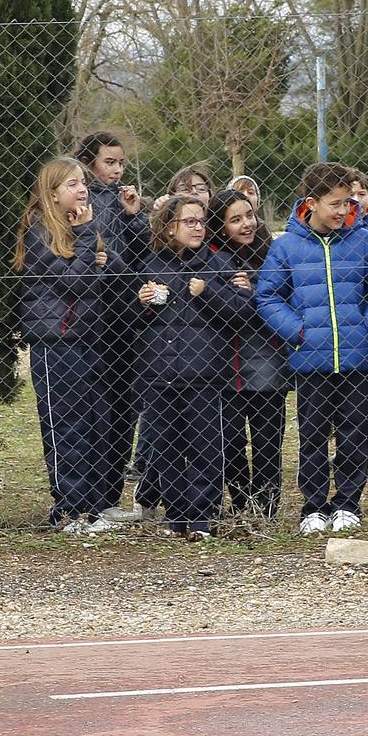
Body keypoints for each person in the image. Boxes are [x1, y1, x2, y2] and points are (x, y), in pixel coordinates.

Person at [256, 162, 368, 535]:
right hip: (309, 360)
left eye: (348, 203)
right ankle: (313, 505)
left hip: (356, 357)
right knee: (311, 434)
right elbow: (267, 296)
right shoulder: (287, 247)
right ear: (312, 203)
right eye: (336, 204)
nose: (344, 210)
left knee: (354, 432)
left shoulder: (363, 241)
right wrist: (297, 332)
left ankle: (347, 503)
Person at [14, 158, 123, 535]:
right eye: (72, 184)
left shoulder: (78, 231)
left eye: (82, 183)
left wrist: (98, 257)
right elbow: (75, 283)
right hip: (55, 342)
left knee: (95, 422)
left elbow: (100, 277)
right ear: (52, 192)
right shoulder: (40, 230)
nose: (82, 189)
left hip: (88, 339)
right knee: (66, 425)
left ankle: (91, 508)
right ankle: (68, 508)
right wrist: (88, 238)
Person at [137, 195, 255, 539]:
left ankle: (202, 516)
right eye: (189, 222)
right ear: (168, 226)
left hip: (203, 374)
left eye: (201, 221)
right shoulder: (150, 265)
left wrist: (208, 293)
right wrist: (142, 302)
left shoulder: (219, 264)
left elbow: (243, 312)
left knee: (206, 446)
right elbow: (126, 318)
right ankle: (176, 517)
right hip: (158, 373)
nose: (197, 228)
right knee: (164, 446)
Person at [74, 131, 151, 523]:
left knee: (125, 406)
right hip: (93, 314)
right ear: (89, 162)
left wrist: (135, 215)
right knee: (95, 408)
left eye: (121, 163)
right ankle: (86, 498)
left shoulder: (124, 201)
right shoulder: (81, 201)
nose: (118, 170)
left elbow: (141, 253)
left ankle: (107, 497)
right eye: (109, 162)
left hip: (126, 313)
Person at [209, 189, 289, 521]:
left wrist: (255, 290)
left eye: (249, 216)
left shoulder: (271, 254)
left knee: (268, 441)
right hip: (223, 367)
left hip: (267, 364)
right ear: (220, 225)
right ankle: (242, 503)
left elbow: (286, 294)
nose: (246, 224)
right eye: (235, 219)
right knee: (230, 444)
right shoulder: (209, 258)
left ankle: (267, 507)